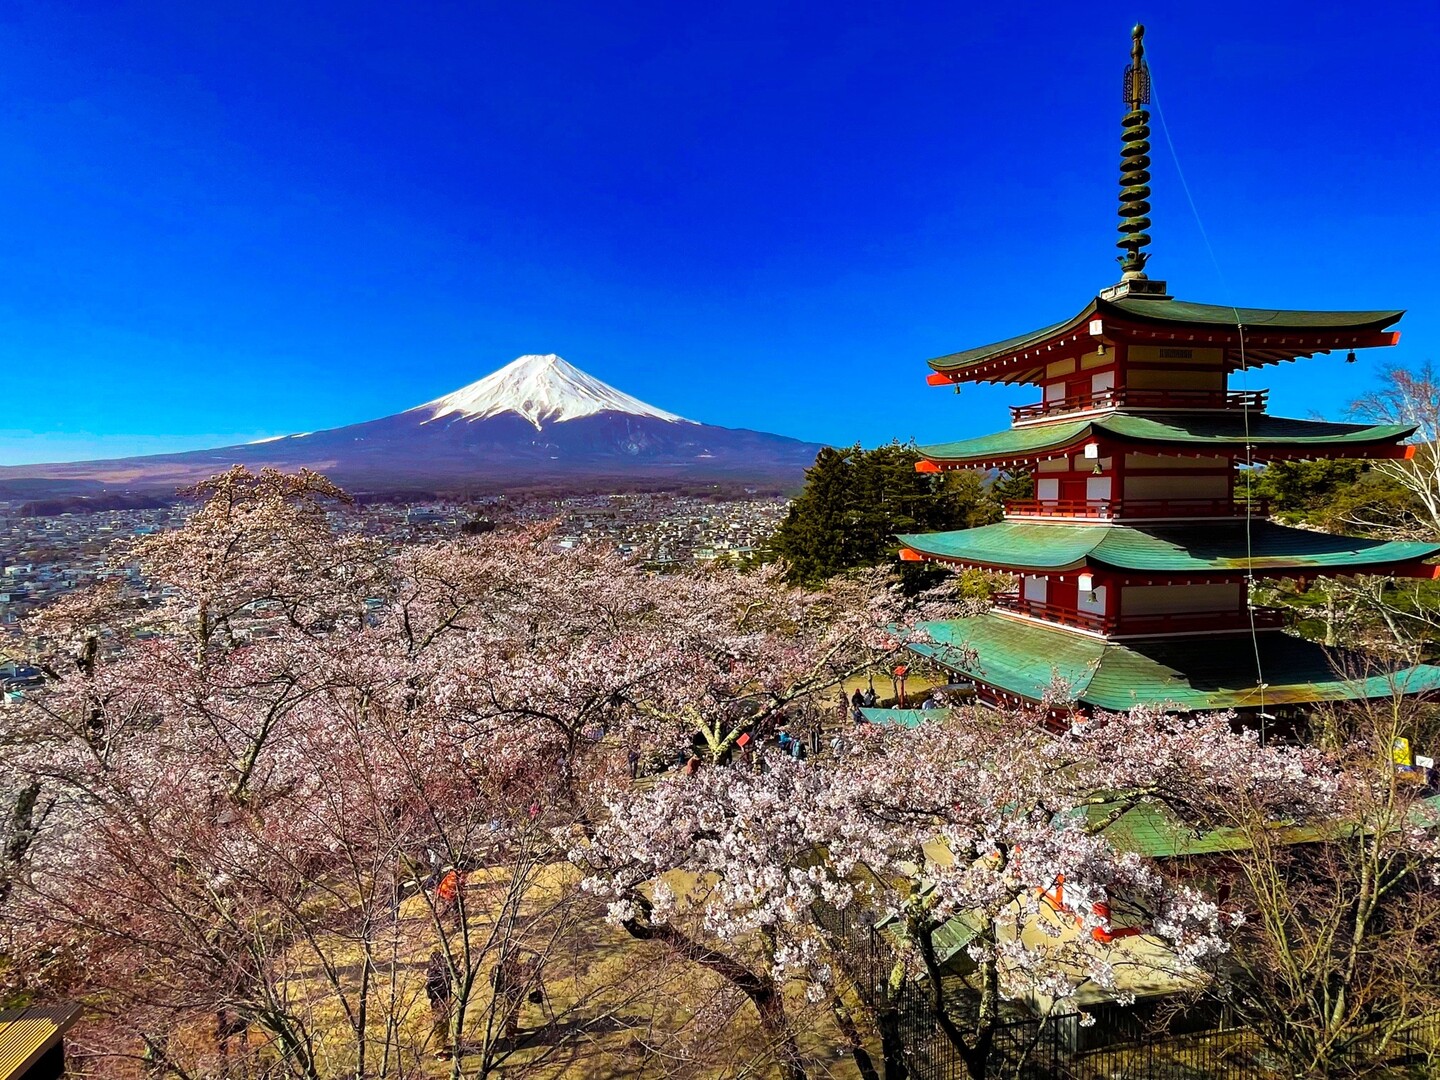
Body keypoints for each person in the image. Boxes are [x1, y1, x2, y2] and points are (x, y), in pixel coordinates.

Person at [425, 949, 453, 1059]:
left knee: (445, 1025)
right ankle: (439, 1051)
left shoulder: (445, 969)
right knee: (439, 1026)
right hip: (438, 1002)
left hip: (445, 1000)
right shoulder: (433, 973)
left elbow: (458, 974)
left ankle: (442, 1045)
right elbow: (430, 991)